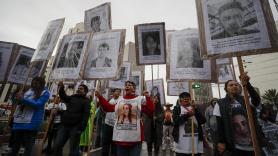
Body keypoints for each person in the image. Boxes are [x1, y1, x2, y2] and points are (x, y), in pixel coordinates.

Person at [95, 80, 154, 156]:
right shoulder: (119, 100)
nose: (127, 86)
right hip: (121, 139)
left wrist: (148, 97)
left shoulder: (139, 99)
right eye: (126, 85)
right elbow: (108, 108)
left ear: (134, 89)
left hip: (135, 139)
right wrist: (100, 97)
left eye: (129, 85)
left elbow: (150, 111)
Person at [213, 72, 265, 156]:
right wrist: (221, 141)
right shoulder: (220, 103)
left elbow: (256, 100)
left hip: (253, 144)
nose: (234, 86)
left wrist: (247, 84)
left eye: (236, 85)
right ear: (226, 89)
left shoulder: (246, 99)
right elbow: (220, 125)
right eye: (231, 85)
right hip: (235, 146)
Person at [10, 77, 50, 156]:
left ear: (41, 84)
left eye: (36, 83)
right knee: (16, 145)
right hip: (20, 121)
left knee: (29, 146)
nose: (34, 85)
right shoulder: (28, 91)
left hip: (31, 122)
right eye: (33, 83)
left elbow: (38, 104)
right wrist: (15, 96)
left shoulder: (45, 92)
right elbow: (17, 103)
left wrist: (23, 99)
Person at [53, 81, 91, 156]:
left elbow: (86, 115)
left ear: (85, 92)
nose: (79, 90)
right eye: (78, 88)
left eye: (81, 89)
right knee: (57, 145)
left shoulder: (86, 101)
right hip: (64, 125)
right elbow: (64, 97)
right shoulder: (73, 97)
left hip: (76, 127)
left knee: (73, 150)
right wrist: (61, 88)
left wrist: (81, 128)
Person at [172, 92, 206, 156]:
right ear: (180, 100)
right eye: (183, 97)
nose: (185, 99)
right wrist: (188, 115)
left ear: (190, 99)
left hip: (195, 143)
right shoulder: (177, 109)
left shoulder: (195, 108)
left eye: (187, 97)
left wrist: (195, 110)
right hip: (181, 144)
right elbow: (176, 121)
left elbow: (203, 121)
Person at [101, 88, 122, 156]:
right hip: (107, 124)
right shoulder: (109, 100)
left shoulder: (121, 100)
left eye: (119, 92)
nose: (118, 93)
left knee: (114, 144)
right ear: (113, 93)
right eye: (117, 91)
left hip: (116, 126)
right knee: (105, 142)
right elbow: (104, 110)